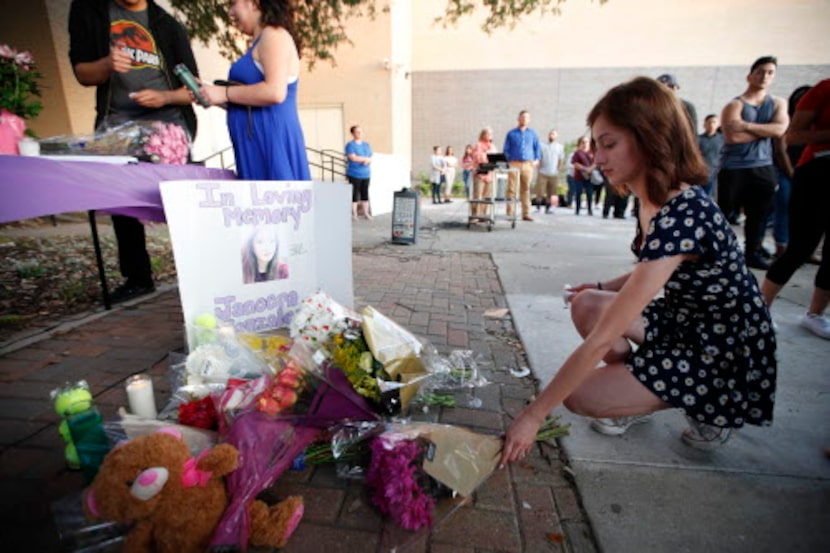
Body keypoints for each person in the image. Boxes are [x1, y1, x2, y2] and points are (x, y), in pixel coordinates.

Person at [499, 77, 777, 467]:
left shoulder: (683, 212)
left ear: (650, 138)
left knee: (581, 397)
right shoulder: (649, 198)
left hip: (723, 349)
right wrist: (598, 287)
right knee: (587, 303)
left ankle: (705, 403)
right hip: (685, 323)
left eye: (609, 144)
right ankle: (638, 391)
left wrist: (533, 414)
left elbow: (603, 339)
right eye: (596, 145)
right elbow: (650, 272)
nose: (597, 157)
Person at [69, 0, 199, 302]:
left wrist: (164, 96)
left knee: (181, 203)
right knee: (121, 203)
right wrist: (107, 65)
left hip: (167, 125)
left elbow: (193, 88)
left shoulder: (167, 24)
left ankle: (196, 269)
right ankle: (138, 278)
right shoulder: (91, 10)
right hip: (116, 122)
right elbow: (82, 74)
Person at [197, 0, 310, 183]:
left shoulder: (274, 35)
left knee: (277, 207)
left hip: (272, 143)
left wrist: (224, 93)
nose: (231, 13)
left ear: (255, 3)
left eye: (234, 3)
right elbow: (251, 98)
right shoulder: (263, 40)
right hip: (257, 143)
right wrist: (211, 93)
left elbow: (275, 92)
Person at [762, 79, 830, 340]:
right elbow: (793, 135)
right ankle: (760, 308)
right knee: (801, 247)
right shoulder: (824, 89)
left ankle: (815, 314)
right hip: (818, 172)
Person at [716, 56, 789, 270]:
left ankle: (752, 253)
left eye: (770, 72)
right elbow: (732, 137)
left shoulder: (777, 103)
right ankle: (719, 253)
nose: (765, 76)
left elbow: (780, 130)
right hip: (733, 167)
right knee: (724, 214)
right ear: (750, 75)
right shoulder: (734, 104)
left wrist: (745, 125)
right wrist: (765, 130)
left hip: (763, 167)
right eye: (760, 71)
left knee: (758, 215)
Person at [503, 110, 541, 221]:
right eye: (522, 117)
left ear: (529, 120)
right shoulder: (511, 133)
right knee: (512, 189)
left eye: (526, 117)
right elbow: (506, 149)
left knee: (526, 189)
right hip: (514, 163)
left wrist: (536, 160)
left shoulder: (533, 133)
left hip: (528, 164)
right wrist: (507, 161)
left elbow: (537, 148)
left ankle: (526, 213)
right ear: (518, 119)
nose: (524, 119)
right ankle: (510, 213)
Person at [344, 125, 373, 219]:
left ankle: (366, 213)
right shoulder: (350, 145)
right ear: (353, 133)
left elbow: (371, 156)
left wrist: (368, 160)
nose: (359, 134)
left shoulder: (366, 145)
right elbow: (352, 157)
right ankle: (354, 214)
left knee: (365, 193)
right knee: (355, 193)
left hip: (366, 173)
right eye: (357, 132)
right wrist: (365, 159)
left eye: (361, 132)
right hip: (354, 173)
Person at [536, 129, 565, 214]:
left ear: (556, 136)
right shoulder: (542, 145)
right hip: (543, 172)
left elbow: (561, 159)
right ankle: (538, 207)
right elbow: (539, 157)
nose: (551, 136)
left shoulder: (560, 147)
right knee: (540, 191)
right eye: (550, 134)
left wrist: (558, 168)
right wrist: (539, 166)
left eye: (553, 134)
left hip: (553, 173)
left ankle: (549, 208)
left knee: (552, 192)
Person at [471, 127, 497, 219]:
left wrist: (488, 155)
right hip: (480, 174)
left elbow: (495, 159)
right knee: (478, 195)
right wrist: (487, 154)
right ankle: (475, 216)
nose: (491, 136)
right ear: (483, 135)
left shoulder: (493, 146)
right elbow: (478, 158)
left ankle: (483, 216)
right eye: (488, 134)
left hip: (489, 174)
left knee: (486, 196)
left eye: (491, 134)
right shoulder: (478, 145)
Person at [698, 114, 724, 197]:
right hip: (702, 171)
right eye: (709, 122)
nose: (711, 125)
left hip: (719, 171)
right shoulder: (697, 139)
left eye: (714, 122)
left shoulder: (723, 139)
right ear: (704, 124)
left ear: (718, 124)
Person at [571, 136, 596, 216]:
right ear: (580, 143)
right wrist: (585, 169)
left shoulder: (592, 152)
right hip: (579, 177)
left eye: (587, 142)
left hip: (589, 177)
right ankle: (577, 209)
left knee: (590, 193)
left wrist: (590, 169)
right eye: (583, 142)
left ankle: (590, 209)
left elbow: (596, 163)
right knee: (578, 193)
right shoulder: (577, 153)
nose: (585, 144)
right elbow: (575, 163)